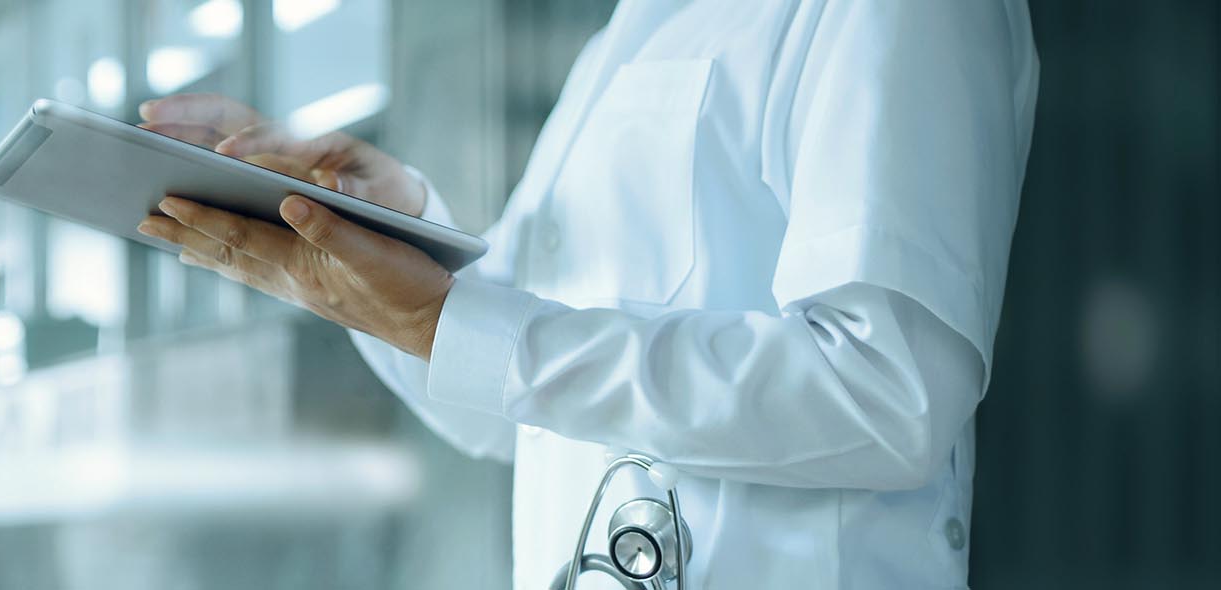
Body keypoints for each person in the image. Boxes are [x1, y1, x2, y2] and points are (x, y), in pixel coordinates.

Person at [134, 1, 1036, 587]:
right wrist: (379, 237)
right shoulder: (629, 33)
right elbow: (509, 410)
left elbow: (885, 393)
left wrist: (453, 323)